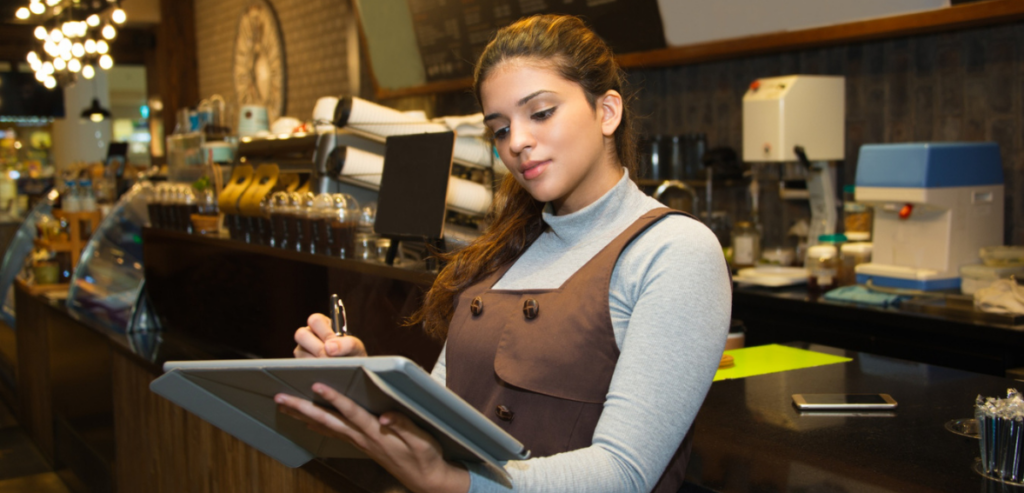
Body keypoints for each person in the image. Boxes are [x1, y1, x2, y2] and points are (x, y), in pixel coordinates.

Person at [278, 14, 731, 493]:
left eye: (540, 112)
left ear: (607, 112)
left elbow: (624, 475)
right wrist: (367, 388)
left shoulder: (673, 252)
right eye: (499, 129)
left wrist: (456, 483)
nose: (516, 143)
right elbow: (444, 418)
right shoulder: (501, 250)